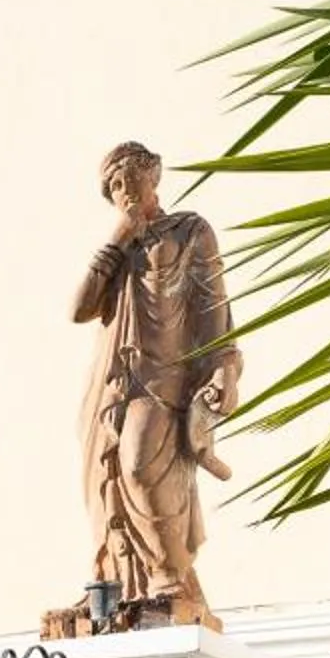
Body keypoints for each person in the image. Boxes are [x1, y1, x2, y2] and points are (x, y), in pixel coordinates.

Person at [71, 140, 240, 626]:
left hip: (164, 378)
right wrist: (119, 237)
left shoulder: (189, 231)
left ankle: (169, 578)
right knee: (107, 478)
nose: (123, 190)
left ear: (152, 176)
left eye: (130, 177)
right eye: (113, 185)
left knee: (140, 464)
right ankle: (117, 585)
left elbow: (212, 305)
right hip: (111, 384)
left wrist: (223, 366)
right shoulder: (119, 249)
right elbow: (80, 308)